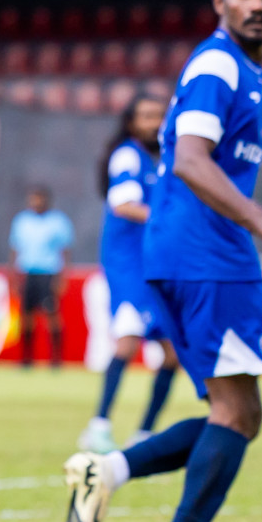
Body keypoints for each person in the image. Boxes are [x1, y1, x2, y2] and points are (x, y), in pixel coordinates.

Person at [63, 0, 262, 522]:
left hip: (191, 253)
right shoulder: (218, 65)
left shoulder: (241, 70)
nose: (257, 6)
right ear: (219, 1)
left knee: (236, 411)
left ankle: (110, 472)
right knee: (237, 413)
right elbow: (192, 162)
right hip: (209, 259)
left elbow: (208, 168)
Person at [77, 96, 180, 454]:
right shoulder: (127, 155)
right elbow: (122, 205)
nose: (155, 122)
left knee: (171, 354)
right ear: (131, 122)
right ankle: (99, 426)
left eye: (159, 115)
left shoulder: (160, 159)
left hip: (155, 266)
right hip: (130, 266)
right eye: (147, 116)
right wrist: (168, 221)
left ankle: (145, 433)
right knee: (128, 340)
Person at [8, 186, 73, 367]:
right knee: (26, 317)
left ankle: (56, 359)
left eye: (39, 199)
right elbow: (15, 250)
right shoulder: (21, 221)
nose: (36, 203)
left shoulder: (58, 221)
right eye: (33, 199)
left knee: (52, 315)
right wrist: (13, 277)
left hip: (48, 273)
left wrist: (62, 277)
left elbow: (65, 251)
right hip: (27, 273)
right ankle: (26, 359)